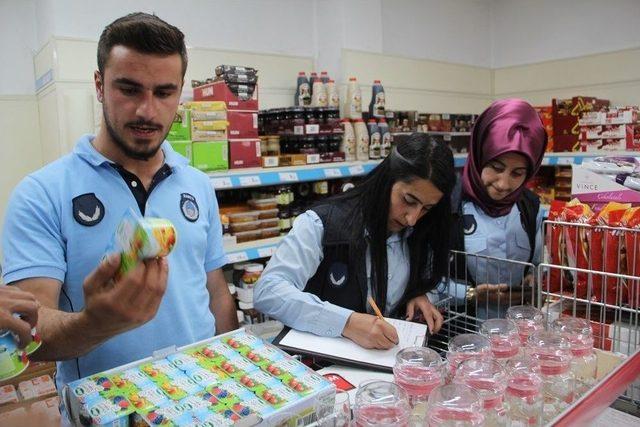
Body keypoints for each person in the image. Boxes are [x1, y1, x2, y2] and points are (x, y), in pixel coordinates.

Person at [0, 12, 238, 402]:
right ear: (99, 85)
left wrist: (229, 370)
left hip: (200, 400)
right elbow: (30, 328)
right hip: (105, 409)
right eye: (129, 89)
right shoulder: (41, 193)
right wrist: (97, 323)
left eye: (164, 92)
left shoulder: (197, 184)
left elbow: (215, 292)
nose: (147, 110)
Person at [254, 134, 456, 349]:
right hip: (321, 366)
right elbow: (268, 291)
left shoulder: (420, 232)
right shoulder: (322, 224)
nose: (412, 219)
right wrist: (346, 322)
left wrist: (417, 293)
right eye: (408, 200)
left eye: (426, 208)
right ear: (387, 180)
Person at [430, 98, 547, 319]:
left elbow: (537, 263)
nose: (504, 184)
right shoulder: (447, 205)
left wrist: (533, 279)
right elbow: (424, 280)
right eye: (496, 167)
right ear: (479, 156)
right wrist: (471, 294)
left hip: (516, 335)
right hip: (460, 334)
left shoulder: (530, 207)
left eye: (517, 173)